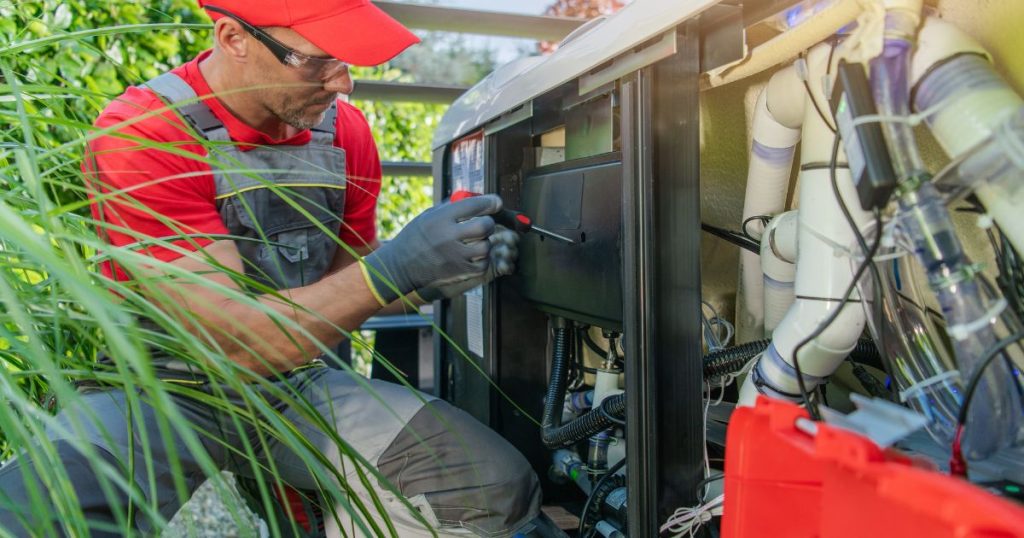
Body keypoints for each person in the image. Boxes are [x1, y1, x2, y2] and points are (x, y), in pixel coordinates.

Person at [0, 0, 540, 536]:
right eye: (318, 61)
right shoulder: (143, 131)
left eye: (349, 59)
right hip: (156, 388)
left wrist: (434, 274)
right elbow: (233, 341)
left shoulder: (345, 135)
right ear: (234, 37)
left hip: (291, 382)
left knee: (487, 484)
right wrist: (395, 268)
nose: (344, 84)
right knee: (37, 514)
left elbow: (344, 285)